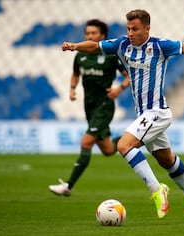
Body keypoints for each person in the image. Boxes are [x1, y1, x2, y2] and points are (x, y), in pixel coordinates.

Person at [61, 9, 184, 222]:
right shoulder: (122, 45)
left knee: (123, 146)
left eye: (135, 29)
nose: (130, 33)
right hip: (144, 114)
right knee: (166, 160)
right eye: (128, 28)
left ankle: (156, 190)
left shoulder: (160, 47)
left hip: (157, 112)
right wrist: (75, 46)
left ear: (147, 28)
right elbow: (94, 46)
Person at [49, 19, 130, 196]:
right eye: (87, 33)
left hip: (104, 105)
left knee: (86, 142)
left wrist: (119, 89)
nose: (90, 36)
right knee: (108, 150)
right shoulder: (81, 56)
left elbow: (129, 76)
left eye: (93, 33)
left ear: (102, 36)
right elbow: (76, 74)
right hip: (89, 106)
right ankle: (138, 137)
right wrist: (72, 89)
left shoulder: (111, 56)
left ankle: (68, 186)